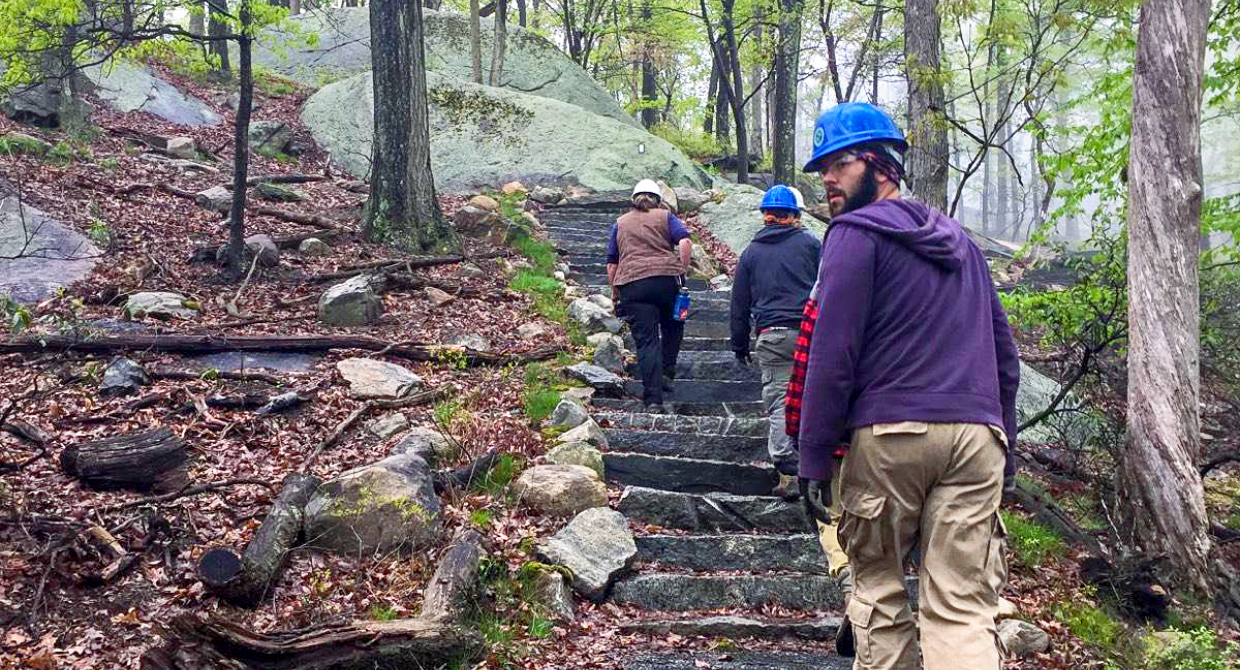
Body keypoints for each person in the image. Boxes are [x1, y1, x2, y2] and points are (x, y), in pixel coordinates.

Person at [795, 102, 1020, 670]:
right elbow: (1005, 359)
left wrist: (814, 457)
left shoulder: (852, 235)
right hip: (976, 438)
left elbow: (833, 353)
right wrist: (1005, 452)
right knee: (965, 608)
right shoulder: (964, 245)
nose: (826, 178)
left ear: (881, 165)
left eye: (840, 164)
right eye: (823, 167)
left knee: (879, 593)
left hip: (890, 434)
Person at [728, 184, 821, 499]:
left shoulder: (751, 253)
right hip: (812, 335)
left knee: (781, 400)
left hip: (771, 335)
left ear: (766, 216)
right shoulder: (811, 245)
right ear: (794, 215)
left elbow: (739, 305)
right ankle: (820, 469)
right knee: (815, 398)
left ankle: (788, 471)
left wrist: (739, 346)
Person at [607, 179, 693, 411]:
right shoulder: (666, 217)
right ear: (658, 199)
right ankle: (667, 371)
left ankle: (653, 399)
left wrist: (615, 292)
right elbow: (684, 241)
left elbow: (612, 264)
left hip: (633, 285)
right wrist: (682, 270)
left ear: (633, 200)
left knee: (647, 342)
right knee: (674, 325)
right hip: (667, 281)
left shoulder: (620, 223)